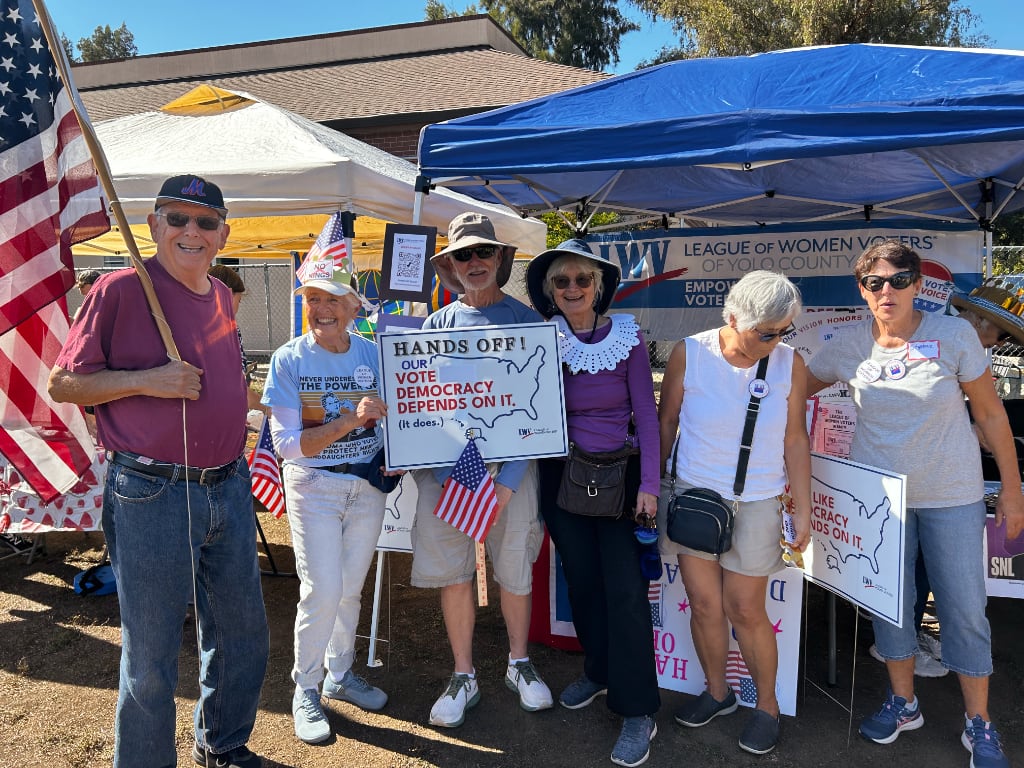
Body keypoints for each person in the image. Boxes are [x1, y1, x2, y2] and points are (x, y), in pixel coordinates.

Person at [48, 175, 269, 768]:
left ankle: (222, 744)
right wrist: (147, 379)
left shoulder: (221, 296)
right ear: (153, 225)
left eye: (204, 221)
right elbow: (63, 383)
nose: (190, 231)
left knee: (242, 631)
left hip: (228, 482)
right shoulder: (122, 290)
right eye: (177, 219)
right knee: (151, 652)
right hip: (152, 491)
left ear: (223, 233)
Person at [806, 240, 1024, 768]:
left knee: (965, 612)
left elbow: (993, 418)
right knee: (891, 612)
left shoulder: (953, 335)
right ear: (862, 289)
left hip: (954, 497)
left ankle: (980, 722)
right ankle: (904, 704)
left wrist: (1013, 490)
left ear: (918, 286)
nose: (887, 291)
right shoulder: (847, 345)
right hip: (879, 502)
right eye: (875, 282)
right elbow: (796, 393)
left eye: (899, 280)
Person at [658, 270, 812, 756]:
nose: (774, 341)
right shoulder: (691, 353)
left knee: (746, 609)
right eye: (764, 332)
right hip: (694, 500)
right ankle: (717, 692)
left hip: (759, 501)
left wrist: (802, 507)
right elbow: (667, 422)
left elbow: (794, 439)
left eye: (783, 331)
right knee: (703, 604)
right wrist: (651, 488)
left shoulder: (790, 363)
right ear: (731, 318)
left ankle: (766, 706)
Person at [411, 212, 553, 728]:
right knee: (455, 571)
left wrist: (507, 483)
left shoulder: (528, 324)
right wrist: (449, 478)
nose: (475, 262)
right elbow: (421, 411)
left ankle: (519, 663)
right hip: (448, 475)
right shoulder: (434, 327)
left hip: (511, 477)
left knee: (514, 568)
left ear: (500, 258)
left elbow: (538, 412)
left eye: (483, 252)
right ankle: (463, 673)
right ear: (450, 264)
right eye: (463, 254)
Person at [525, 239, 660, 767]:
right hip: (563, 475)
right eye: (562, 281)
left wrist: (649, 484)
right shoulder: (540, 340)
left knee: (626, 592)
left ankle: (637, 710)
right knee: (581, 582)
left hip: (622, 479)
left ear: (599, 287)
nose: (574, 289)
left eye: (583, 280)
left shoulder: (626, 337)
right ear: (551, 291)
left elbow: (646, 417)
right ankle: (599, 672)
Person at [261, 266, 393, 744]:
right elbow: (289, 447)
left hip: (365, 488)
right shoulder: (288, 358)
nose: (320, 309)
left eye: (332, 299)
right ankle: (307, 687)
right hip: (313, 488)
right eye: (313, 299)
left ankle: (340, 674)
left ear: (355, 307)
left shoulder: (374, 355)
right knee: (322, 589)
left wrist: (395, 449)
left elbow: (395, 420)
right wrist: (348, 421)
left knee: (351, 589)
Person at [208, 264, 266, 414]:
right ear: (226, 294)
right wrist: (270, 409)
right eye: (238, 301)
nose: (237, 308)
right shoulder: (220, 331)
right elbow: (235, 389)